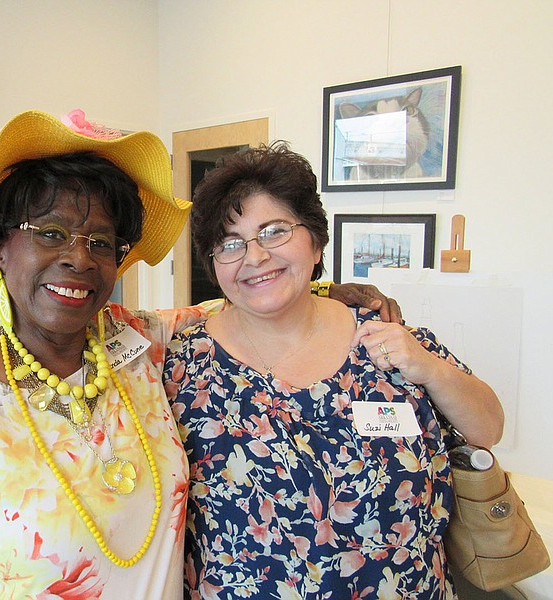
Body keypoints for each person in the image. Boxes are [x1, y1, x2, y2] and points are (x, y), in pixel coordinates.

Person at [0, 111, 400, 599]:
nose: (79, 258)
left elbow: (238, 303)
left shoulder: (138, 350)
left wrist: (323, 291)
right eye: (51, 232)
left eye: (101, 242)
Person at [164, 142, 504, 599]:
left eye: (274, 231)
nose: (256, 257)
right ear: (213, 265)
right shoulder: (181, 367)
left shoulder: (389, 341)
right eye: (231, 244)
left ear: (316, 242)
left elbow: (489, 427)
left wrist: (429, 368)